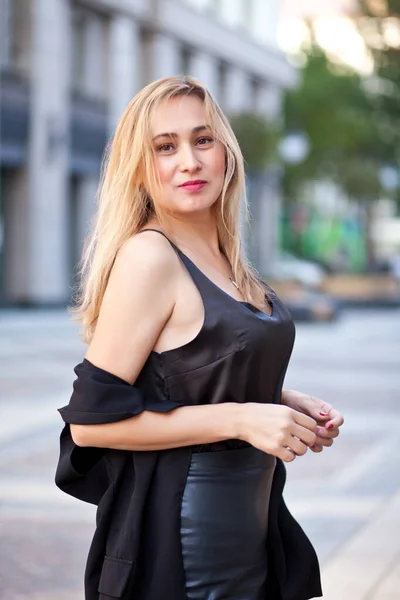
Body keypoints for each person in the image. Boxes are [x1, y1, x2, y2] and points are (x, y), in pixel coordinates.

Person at [55, 76, 344, 600]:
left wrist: (280, 402)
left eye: (202, 140)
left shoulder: (231, 260)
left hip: (251, 526)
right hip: (189, 539)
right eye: (165, 147)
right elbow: (90, 426)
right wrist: (240, 416)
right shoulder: (150, 257)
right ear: (141, 169)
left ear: (226, 153)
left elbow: (182, 374)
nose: (189, 161)